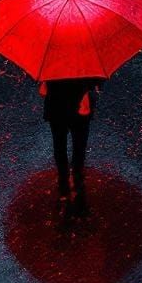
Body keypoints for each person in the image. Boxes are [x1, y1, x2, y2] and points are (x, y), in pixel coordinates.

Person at [42, 77, 101, 210]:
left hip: (56, 107)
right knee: (79, 146)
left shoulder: (51, 64)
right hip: (80, 108)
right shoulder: (87, 61)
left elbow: (43, 91)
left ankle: (64, 181)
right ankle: (77, 177)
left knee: (59, 145)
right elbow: (95, 84)